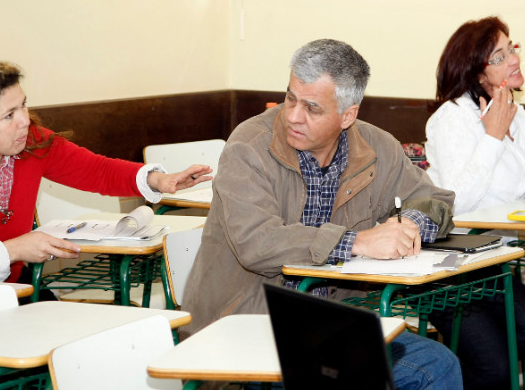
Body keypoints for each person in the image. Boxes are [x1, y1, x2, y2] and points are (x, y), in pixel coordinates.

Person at [181, 39, 463, 389]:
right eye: (290, 99)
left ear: (348, 115)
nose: (293, 116)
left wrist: (407, 225)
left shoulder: (377, 148)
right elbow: (256, 243)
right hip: (248, 324)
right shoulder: (248, 146)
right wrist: (358, 242)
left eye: (312, 108)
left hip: (332, 323)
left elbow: (435, 199)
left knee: (438, 365)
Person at [0, 54, 213, 288]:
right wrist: (13, 251)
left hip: (15, 290)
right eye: (9, 115)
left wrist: (158, 179)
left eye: (23, 106)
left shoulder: (31, 144)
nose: (25, 121)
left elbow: (96, 170)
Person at [424, 16, 525, 389]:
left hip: (495, 261)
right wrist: (493, 136)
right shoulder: (451, 118)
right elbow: (457, 202)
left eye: (511, 48)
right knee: (494, 370)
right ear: (477, 73)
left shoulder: (515, 112)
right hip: (451, 267)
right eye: (499, 57)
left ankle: (450, 367)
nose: (514, 59)